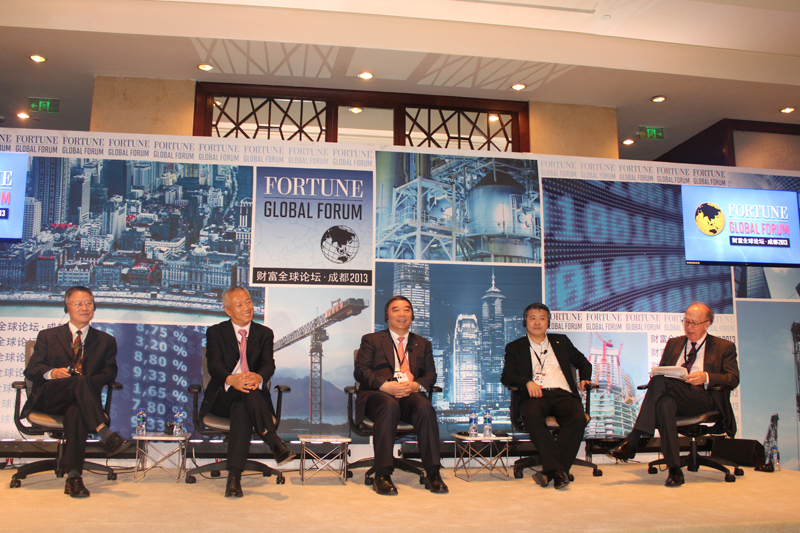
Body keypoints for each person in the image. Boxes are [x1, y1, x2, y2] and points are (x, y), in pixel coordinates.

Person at [607, 301, 740, 487]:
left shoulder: (724, 346)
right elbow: (663, 372)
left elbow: (733, 379)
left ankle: (634, 438)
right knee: (664, 403)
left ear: (707, 324)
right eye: (686, 322)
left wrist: (706, 377)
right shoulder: (674, 343)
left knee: (660, 382)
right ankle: (675, 469)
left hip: (704, 399)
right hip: (676, 398)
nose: (689, 327)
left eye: (694, 323)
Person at [22, 286, 132, 498]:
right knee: (78, 384)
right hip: (50, 398)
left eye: (88, 303)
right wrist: (53, 373)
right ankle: (103, 431)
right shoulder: (48, 336)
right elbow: (32, 369)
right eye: (78, 304)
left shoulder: (105, 340)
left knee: (76, 410)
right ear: (67, 307)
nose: (84, 307)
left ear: (94, 307)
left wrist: (85, 384)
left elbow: (109, 373)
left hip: (82, 402)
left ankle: (74, 477)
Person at [199, 286, 296, 497]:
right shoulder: (216, 332)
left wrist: (258, 377)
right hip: (223, 397)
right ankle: (274, 441)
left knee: (242, 406)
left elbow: (268, 365)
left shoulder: (264, 333)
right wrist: (231, 379)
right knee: (242, 392)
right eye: (239, 304)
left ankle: (234, 478)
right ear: (227, 310)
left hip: (251, 397)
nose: (246, 307)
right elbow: (214, 365)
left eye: (249, 302)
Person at [354, 295, 447, 495]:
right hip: (378, 396)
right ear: (387, 315)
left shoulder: (423, 343)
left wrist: (415, 386)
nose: (402, 314)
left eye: (406, 309)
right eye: (395, 310)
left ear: (412, 315)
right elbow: (361, 371)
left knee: (425, 407)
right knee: (389, 405)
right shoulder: (371, 340)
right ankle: (382, 474)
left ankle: (433, 472)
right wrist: (384, 385)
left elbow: (430, 375)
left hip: (408, 394)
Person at [501, 302, 594, 490]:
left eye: (542, 318)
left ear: (548, 322)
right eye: (532, 318)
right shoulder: (515, 347)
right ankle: (559, 471)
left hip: (563, 394)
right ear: (525, 322)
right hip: (535, 395)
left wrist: (585, 378)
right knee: (531, 414)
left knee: (578, 418)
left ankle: (552, 471)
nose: (537, 322)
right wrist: (527, 382)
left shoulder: (562, 341)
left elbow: (584, 363)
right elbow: (507, 376)